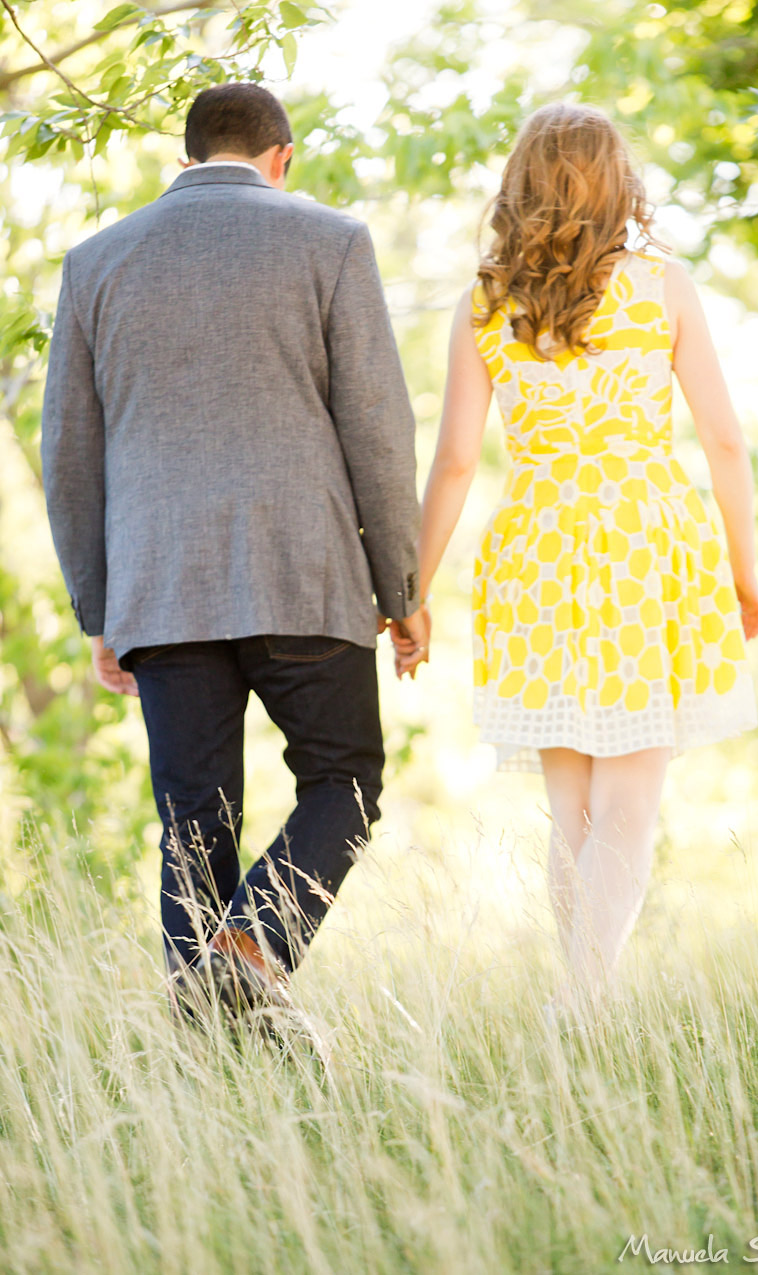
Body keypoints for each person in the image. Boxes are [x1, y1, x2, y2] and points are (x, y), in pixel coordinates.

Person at [41, 82, 430, 1028]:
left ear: (187, 157)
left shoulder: (95, 262)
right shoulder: (332, 241)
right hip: (308, 579)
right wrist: (404, 586)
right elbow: (378, 428)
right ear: (281, 157)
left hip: (162, 591)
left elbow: (68, 454)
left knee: (193, 824)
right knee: (343, 781)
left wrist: (101, 609)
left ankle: (213, 1050)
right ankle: (254, 947)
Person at [394, 102, 758, 1014]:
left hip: (536, 552)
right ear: (616, 182)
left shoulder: (486, 304)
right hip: (647, 546)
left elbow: (451, 461)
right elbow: (723, 441)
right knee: (630, 802)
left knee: (575, 813)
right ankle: (584, 1005)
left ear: (522, 183)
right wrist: (742, 571)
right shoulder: (663, 286)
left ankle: (581, 1005)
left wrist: (410, 590)